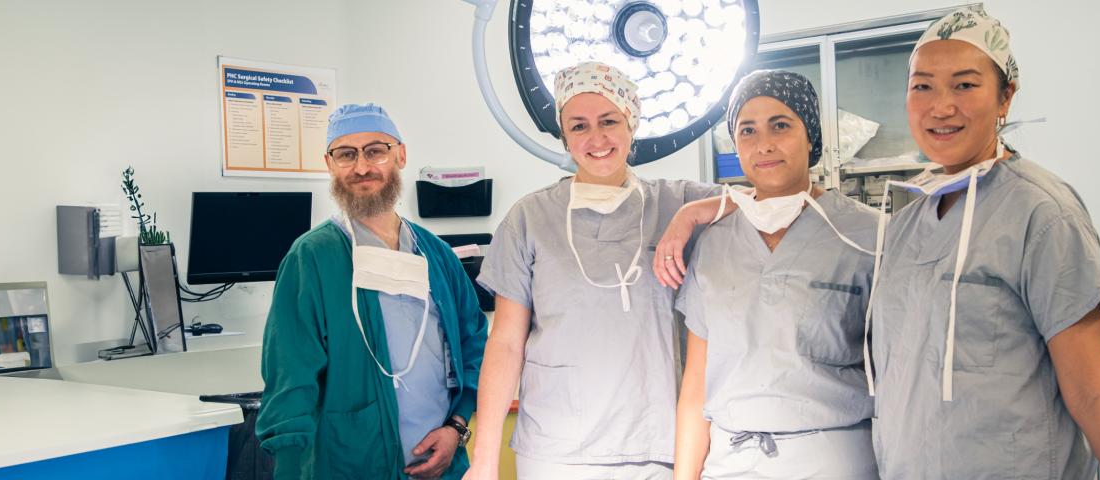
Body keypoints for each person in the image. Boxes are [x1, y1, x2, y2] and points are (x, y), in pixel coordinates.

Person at [863, 6, 1100, 479]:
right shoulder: (906, 221)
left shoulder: (1042, 213)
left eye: (964, 84)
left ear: (1005, 98)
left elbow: (1094, 394)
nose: (941, 106)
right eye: (922, 85)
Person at [466, 61, 723, 479]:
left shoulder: (675, 202)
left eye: (609, 121)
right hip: (556, 450)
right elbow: (507, 343)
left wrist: (693, 214)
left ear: (632, 124)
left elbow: (757, 203)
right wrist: (484, 460)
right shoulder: (529, 218)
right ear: (564, 136)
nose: (596, 138)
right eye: (579, 126)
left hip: (654, 444)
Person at [255, 103, 489, 479]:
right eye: (346, 154)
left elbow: (474, 343)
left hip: (441, 466)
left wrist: (457, 428)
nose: (362, 167)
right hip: (350, 465)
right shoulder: (314, 258)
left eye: (375, 151)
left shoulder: (437, 255)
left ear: (400, 155)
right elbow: (289, 377)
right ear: (329, 164)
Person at [668, 70, 881, 480]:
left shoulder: (866, 235)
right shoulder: (714, 242)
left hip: (834, 460)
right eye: (747, 130)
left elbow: (897, 373)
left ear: (811, 136)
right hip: (730, 461)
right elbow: (696, 387)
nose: (763, 144)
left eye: (780, 125)